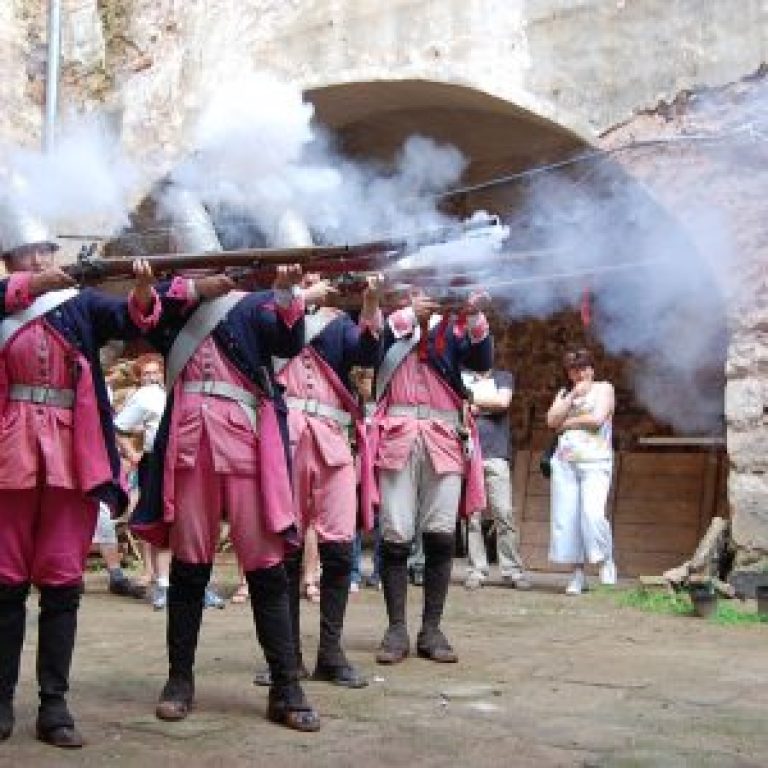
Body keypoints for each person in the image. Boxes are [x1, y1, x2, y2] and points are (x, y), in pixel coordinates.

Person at [130, 264, 321, 731]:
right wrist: (189, 287)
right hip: (189, 445)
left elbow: (288, 343)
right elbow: (143, 316)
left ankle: (285, 686)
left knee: (266, 569)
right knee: (189, 567)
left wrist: (283, 291)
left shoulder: (253, 304)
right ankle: (179, 680)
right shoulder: (176, 299)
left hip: (246, 444)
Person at [0, 208, 159, 748]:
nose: (44, 258)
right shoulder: (7, 301)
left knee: (63, 582)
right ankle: (0, 703)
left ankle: (54, 707)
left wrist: (141, 292)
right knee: (5, 583)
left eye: (48, 248)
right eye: (31, 252)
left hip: (71, 451)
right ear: (12, 260)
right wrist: (26, 285)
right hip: (10, 452)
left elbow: (128, 320)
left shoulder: (80, 304)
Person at [255, 272, 381, 689]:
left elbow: (366, 352)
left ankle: (331, 651)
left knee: (340, 550)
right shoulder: (271, 315)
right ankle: (286, 657)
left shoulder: (338, 323)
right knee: (287, 547)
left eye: (316, 276)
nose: (313, 281)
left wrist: (369, 304)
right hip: (283, 436)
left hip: (330, 437)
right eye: (304, 276)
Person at [372, 289, 492, 665]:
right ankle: (396, 629)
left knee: (441, 535)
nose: (424, 296)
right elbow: (376, 350)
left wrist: (473, 316)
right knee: (395, 536)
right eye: (417, 290)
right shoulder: (391, 323)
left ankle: (432, 629)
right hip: (398, 435)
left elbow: (481, 359)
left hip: (443, 436)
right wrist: (411, 315)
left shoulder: (452, 331)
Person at [546, 348, 617, 595]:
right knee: (568, 518)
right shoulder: (565, 393)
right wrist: (571, 397)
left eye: (584, 368)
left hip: (596, 460)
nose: (580, 373)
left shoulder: (604, 388)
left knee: (592, 514)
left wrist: (568, 423)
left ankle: (606, 559)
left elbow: (597, 419)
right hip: (565, 463)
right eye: (574, 370)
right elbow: (551, 421)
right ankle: (578, 574)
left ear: (592, 370)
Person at [114, 353, 173, 609]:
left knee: (189, 524)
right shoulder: (144, 396)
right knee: (157, 520)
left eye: (154, 372)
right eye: (145, 373)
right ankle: (162, 583)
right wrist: (132, 453)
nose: (151, 377)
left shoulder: (173, 389)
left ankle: (195, 586)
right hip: (155, 462)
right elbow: (119, 426)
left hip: (183, 461)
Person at [464, 368, 531, 590]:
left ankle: (512, 570)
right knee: (472, 516)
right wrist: (480, 405)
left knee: (503, 512)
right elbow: (457, 408)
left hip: (496, 454)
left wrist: (472, 404)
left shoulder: (503, 377)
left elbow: (503, 402)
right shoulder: (463, 377)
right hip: (468, 453)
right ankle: (477, 570)